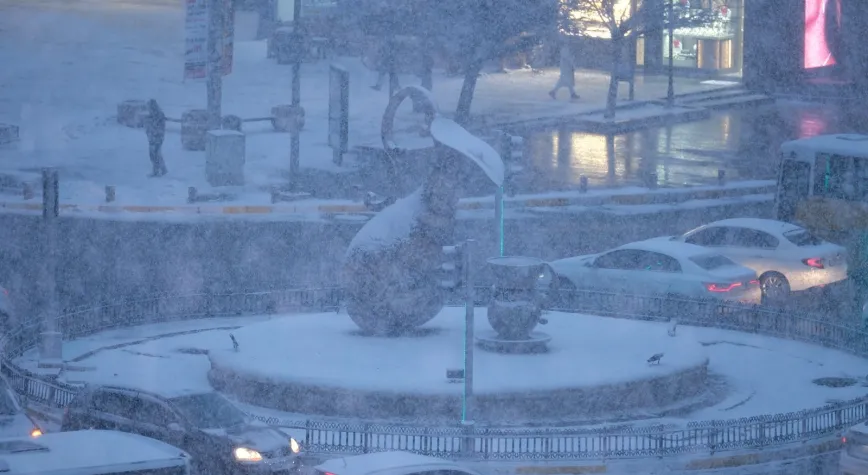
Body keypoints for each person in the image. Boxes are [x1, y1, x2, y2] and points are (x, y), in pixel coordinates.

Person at [144, 99, 168, 177]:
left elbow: (160, 127)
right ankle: (162, 169)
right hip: (152, 137)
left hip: (157, 138)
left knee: (155, 154)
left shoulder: (159, 115)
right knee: (154, 154)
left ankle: (157, 170)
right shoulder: (151, 116)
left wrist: (154, 131)